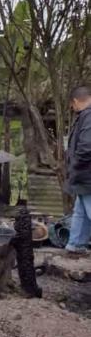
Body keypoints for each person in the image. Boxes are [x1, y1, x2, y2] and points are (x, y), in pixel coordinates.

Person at [65, 86, 91, 256]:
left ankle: (76, 244)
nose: (72, 109)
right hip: (83, 176)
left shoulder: (89, 116)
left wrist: (75, 165)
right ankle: (75, 245)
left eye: (71, 105)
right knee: (80, 211)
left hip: (87, 175)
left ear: (75, 101)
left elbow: (87, 146)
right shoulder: (84, 116)